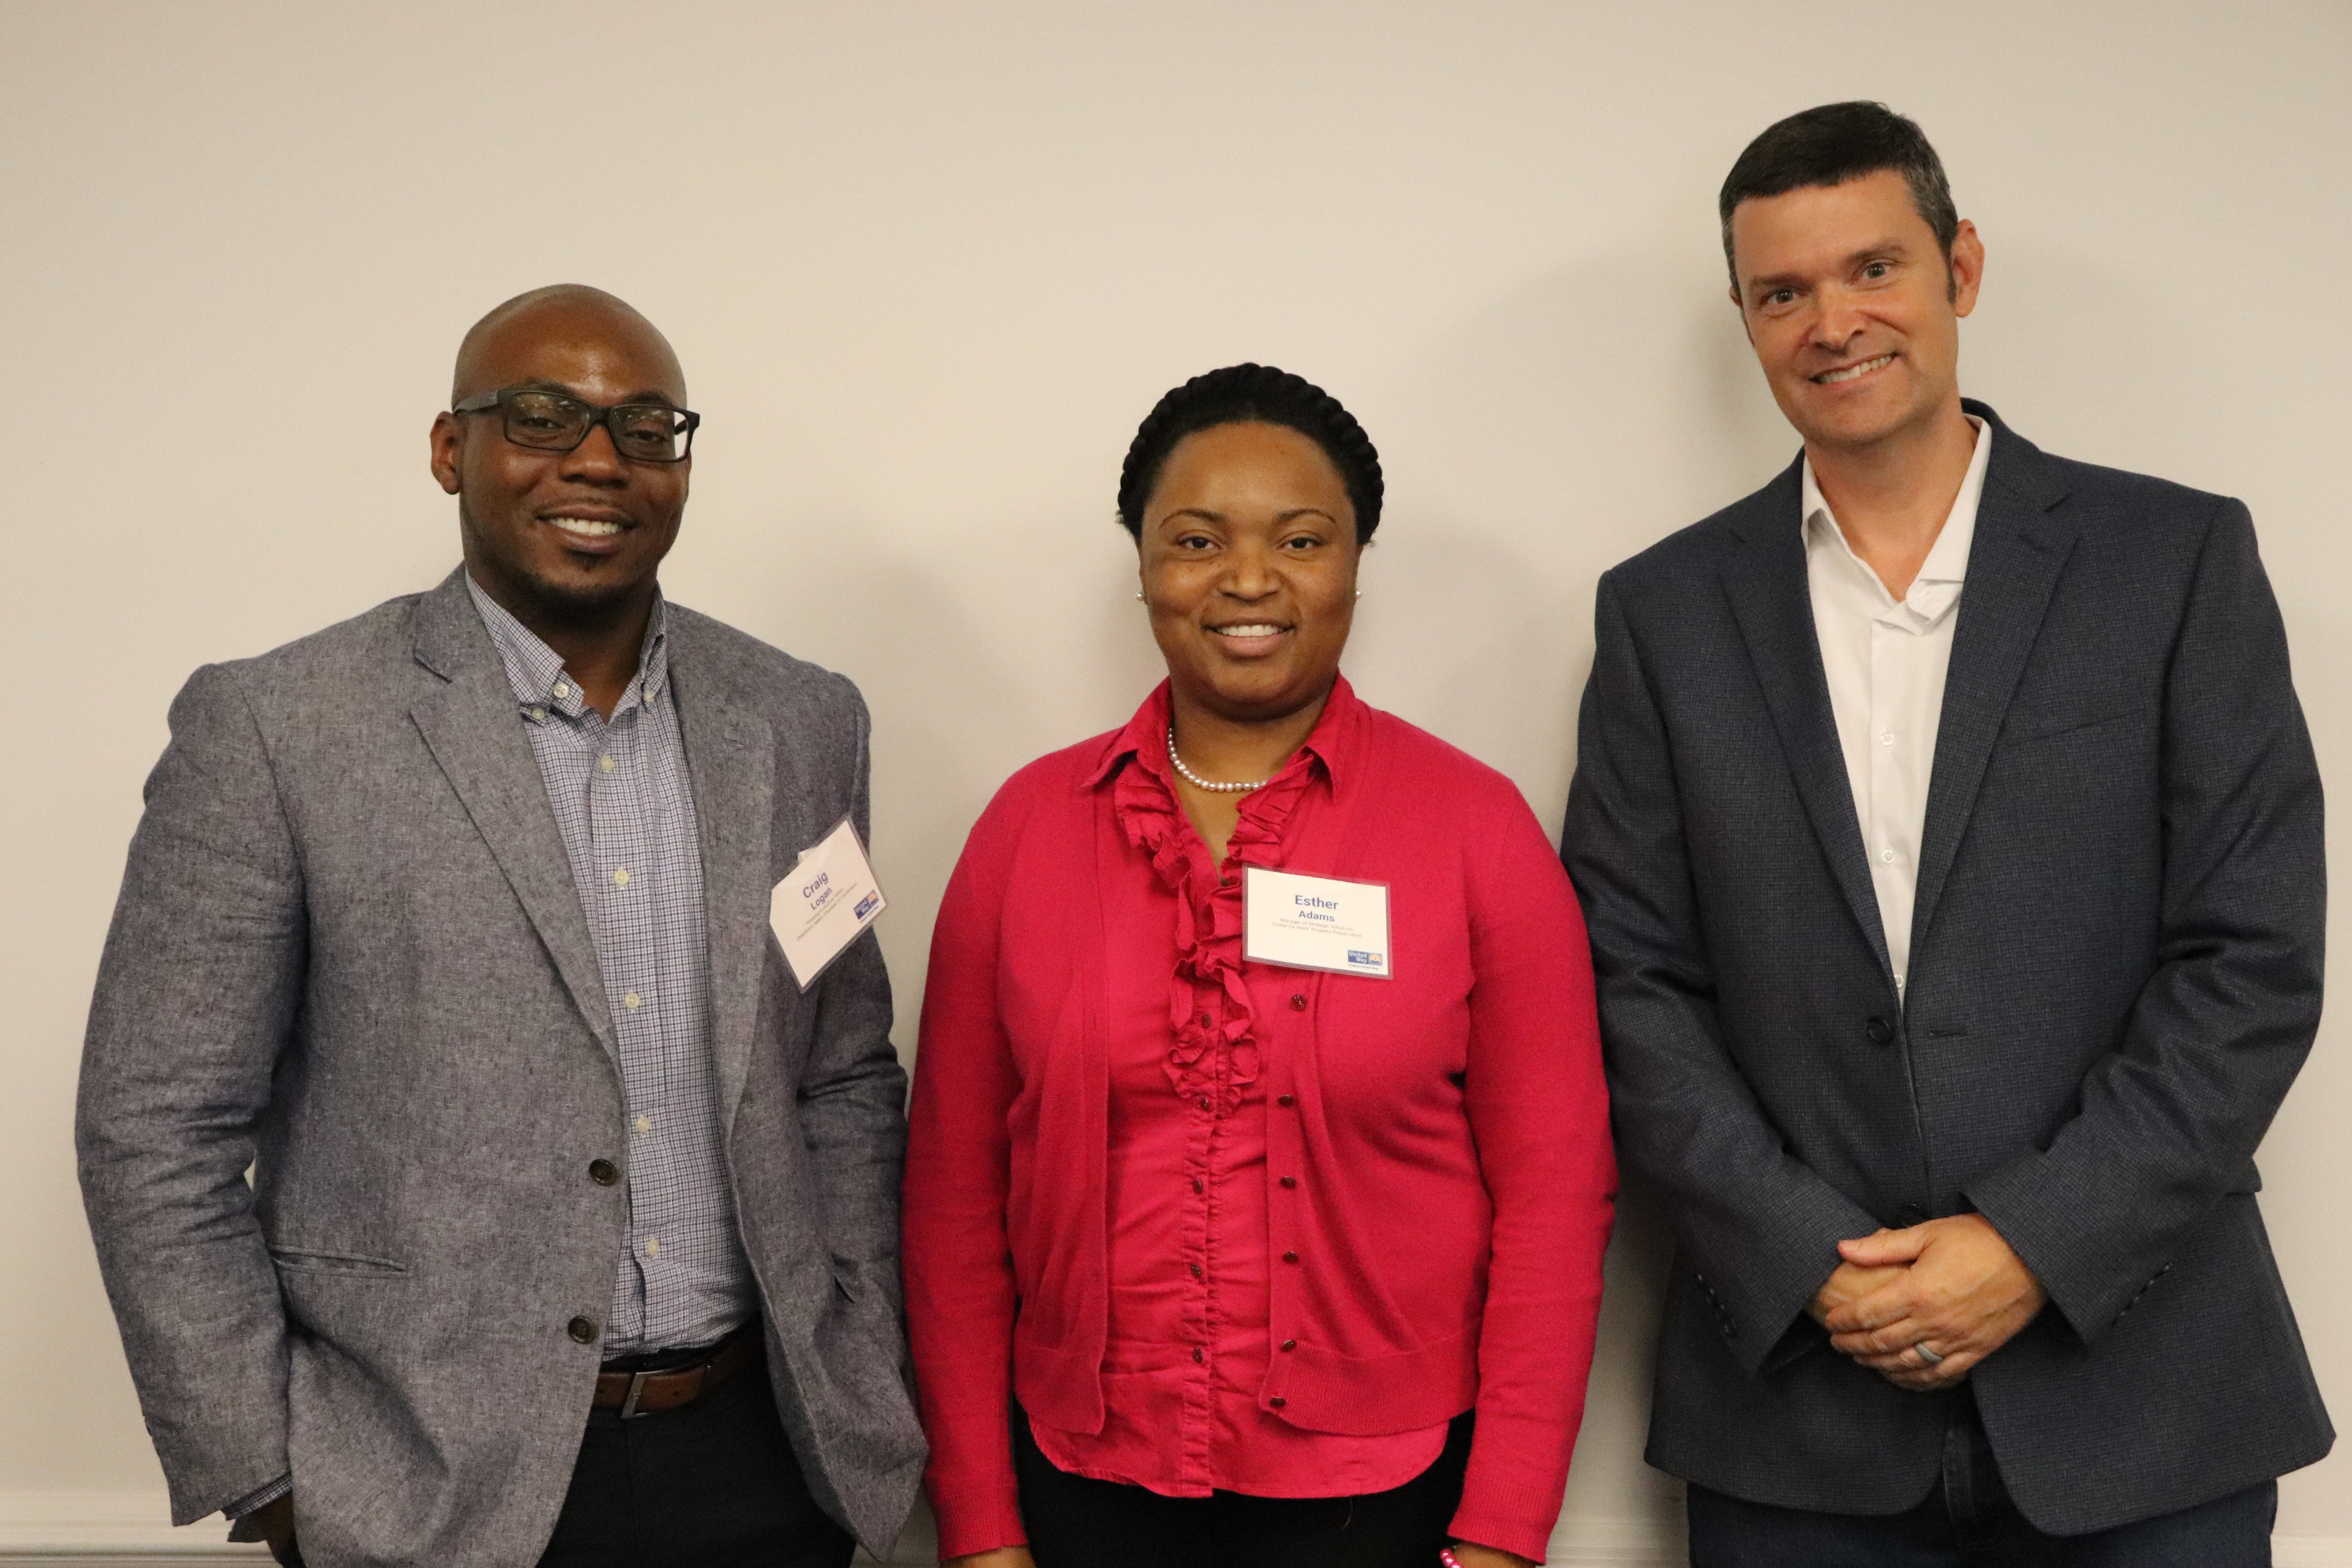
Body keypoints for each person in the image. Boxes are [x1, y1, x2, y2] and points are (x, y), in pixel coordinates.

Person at [1561, 102, 2331, 1564]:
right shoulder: (1663, 612)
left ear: (1960, 266)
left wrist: (2037, 1240)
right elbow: (1625, 981)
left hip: (2146, 1400)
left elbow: (2252, 957)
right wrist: (1808, 1261)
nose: (1832, 321)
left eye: (1873, 269)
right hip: (1795, 1411)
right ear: (1744, 316)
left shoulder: (2174, 561)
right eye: (1783, 292)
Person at [76, 285, 924, 1568]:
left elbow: (843, 1069)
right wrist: (268, 1469)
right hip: (420, 1490)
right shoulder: (276, 727)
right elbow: (156, 1127)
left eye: (646, 428)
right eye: (542, 416)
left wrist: (856, 1345)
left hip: (765, 1465)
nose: (598, 458)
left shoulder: (802, 720)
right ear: (448, 448)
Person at [903, 364, 1616, 1568]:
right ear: (1140, 566)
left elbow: (1557, 1198)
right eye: (1195, 539)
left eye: (1301, 539)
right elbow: (952, 1201)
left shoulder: (1471, 830)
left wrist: (1503, 1531)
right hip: (1080, 1490)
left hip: (1384, 1501)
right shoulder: (1027, 831)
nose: (1247, 580)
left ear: (1353, 563)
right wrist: (977, 1526)